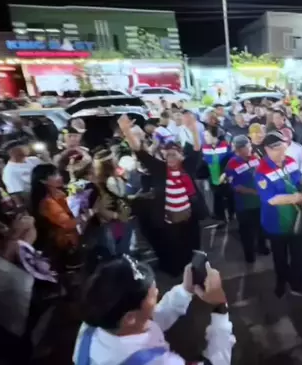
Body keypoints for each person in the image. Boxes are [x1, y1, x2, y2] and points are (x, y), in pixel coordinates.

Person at [73, 257, 234, 365]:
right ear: (129, 318)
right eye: (151, 294)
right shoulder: (158, 362)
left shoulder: (92, 326)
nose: (157, 292)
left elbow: (148, 320)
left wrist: (185, 290)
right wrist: (220, 308)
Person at [118, 114, 202, 277]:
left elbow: (197, 150)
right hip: (168, 220)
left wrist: (193, 130)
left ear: (181, 155)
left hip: (188, 219)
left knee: (190, 246)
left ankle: (191, 270)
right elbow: (140, 153)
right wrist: (127, 131)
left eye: (174, 154)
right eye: (167, 155)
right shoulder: (159, 169)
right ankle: (175, 270)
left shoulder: (187, 167)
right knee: (172, 247)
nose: (170, 157)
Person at [255, 130, 302, 298]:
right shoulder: (262, 171)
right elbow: (271, 199)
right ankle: (281, 282)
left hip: (296, 218)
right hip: (276, 222)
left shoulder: (290, 161)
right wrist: (298, 197)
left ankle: (298, 284)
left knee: (299, 255)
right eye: (278, 150)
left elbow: (298, 180)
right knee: (280, 256)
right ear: (267, 149)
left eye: (284, 149)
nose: (282, 154)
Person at [30, 163, 82, 281]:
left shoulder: (60, 194)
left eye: (58, 173)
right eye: (54, 175)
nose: (60, 177)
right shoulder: (47, 203)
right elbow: (68, 223)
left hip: (74, 238)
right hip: (62, 245)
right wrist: (88, 213)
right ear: (43, 181)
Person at [225, 135, 269, 263]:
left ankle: (262, 247)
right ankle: (249, 255)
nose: (250, 147)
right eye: (248, 146)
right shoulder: (232, 164)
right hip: (244, 205)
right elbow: (235, 186)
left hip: (260, 203)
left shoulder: (255, 158)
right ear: (239, 149)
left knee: (261, 227)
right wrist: (254, 192)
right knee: (247, 231)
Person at [2, 138, 44, 206]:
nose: (26, 148)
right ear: (11, 152)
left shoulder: (34, 159)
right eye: (22, 146)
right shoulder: (9, 171)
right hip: (35, 199)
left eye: (25, 146)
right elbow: (16, 194)